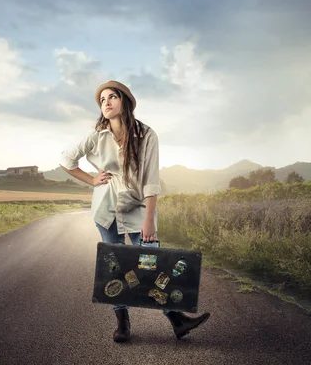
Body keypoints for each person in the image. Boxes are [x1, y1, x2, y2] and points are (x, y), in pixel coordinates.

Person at [59, 80, 210, 342]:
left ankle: (176, 320)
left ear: (125, 101)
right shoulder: (96, 134)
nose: (106, 102)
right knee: (115, 269)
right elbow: (66, 160)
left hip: (139, 208)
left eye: (112, 97)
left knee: (153, 264)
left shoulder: (147, 135)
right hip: (106, 210)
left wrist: (149, 219)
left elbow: (151, 180)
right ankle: (122, 323)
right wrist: (91, 179)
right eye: (102, 99)